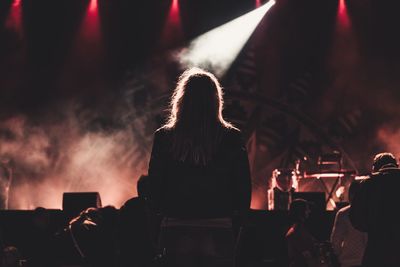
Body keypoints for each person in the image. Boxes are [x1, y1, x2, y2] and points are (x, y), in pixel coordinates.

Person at [146, 67, 252, 267]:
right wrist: (237, 227)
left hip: (175, 226)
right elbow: (243, 188)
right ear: (216, 101)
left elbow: (154, 188)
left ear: (181, 100)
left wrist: (155, 230)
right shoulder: (231, 137)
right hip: (219, 226)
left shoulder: (164, 138)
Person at [349, 152, 400, 267]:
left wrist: (373, 226)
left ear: (375, 167)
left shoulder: (369, 183)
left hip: (378, 248)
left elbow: (356, 217)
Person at [330, 181, 367, 267]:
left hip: (348, 261)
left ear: (350, 195)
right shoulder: (370, 213)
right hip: (366, 260)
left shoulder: (343, 213)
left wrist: (339, 256)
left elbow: (335, 241)